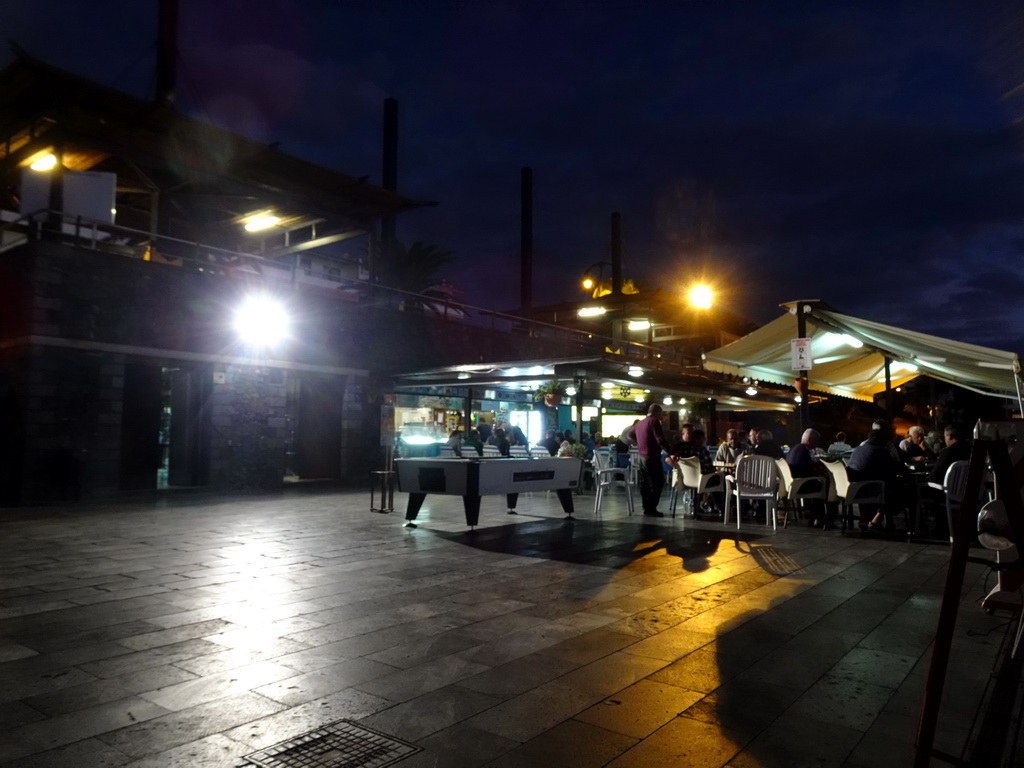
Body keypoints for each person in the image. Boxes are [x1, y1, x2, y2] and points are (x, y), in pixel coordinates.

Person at [846, 420, 908, 532]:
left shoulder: (861, 446)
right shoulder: (885, 447)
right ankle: (877, 520)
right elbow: (896, 467)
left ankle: (865, 519)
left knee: (888, 483)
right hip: (871, 487)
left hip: (853, 487)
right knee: (900, 489)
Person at [628, 404, 676, 517]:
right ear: (657, 412)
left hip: (641, 457)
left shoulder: (640, 423)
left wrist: (639, 443)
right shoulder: (653, 422)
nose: (661, 416)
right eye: (661, 413)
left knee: (645, 482)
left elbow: (630, 434)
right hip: (651, 456)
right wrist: (671, 452)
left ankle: (646, 506)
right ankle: (651, 507)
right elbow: (660, 439)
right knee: (658, 482)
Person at [786, 428, 829, 526]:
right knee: (823, 486)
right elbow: (808, 470)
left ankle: (815, 517)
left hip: (791, 485)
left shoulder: (793, 449)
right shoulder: (804, 451)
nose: (818, 443)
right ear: (810, 440)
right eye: (817, 440)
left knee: (818, 483)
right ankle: (818, 518)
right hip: (801, 485)